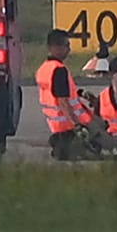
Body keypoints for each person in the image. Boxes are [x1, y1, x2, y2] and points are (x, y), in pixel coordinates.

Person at [36, 29, 96, 161]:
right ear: (55, 47)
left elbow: (60, 91)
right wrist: (77, 125)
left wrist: (81, 93)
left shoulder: (45, 68)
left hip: (57, 126)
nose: (69, 50)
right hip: (70, 126)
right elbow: (63, 101)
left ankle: (62, 147)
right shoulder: (59, 70)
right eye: (66, 45)